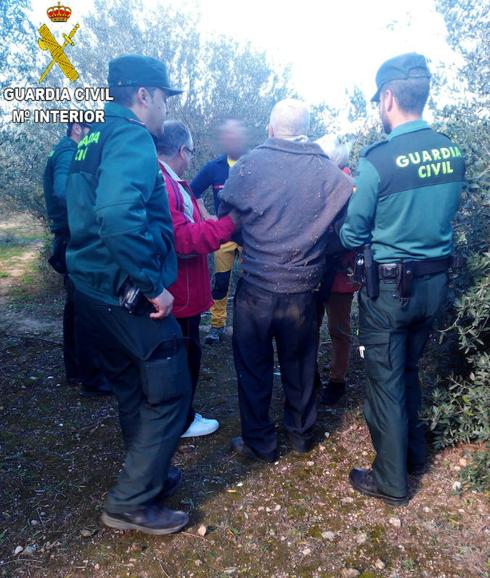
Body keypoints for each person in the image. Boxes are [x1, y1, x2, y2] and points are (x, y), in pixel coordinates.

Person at [65, 55, 192, 534]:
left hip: (90, 288)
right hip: (123, 289)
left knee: (131, 386)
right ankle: (130, 502)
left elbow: (68, 205)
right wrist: (151, 284)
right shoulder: (131, 135)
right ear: (144, 95)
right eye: (163, 97)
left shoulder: (90, 137)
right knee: (170, 387)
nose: (164, 107)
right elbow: (118, 214)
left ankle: (149, 474)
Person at [340, 53, 465, 505]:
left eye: (378, 100)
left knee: (385, 380)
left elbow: (354, 231)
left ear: (388, 97)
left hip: (391, 290)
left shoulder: (379, 159)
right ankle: (413, 452)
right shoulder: (451, 149)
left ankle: (391, 480)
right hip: (434, 286)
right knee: (409, 368)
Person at [219, 99, 353, 461]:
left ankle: (259, 441)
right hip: (304, 289)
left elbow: (227, 219)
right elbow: (345, 232)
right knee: (300, 363)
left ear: (270, 128)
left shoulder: (248, 165)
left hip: (257, 286)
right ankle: (301, 434)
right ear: (305, 130)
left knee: (253, 366)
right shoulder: (330, 174)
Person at [156, 120, 237, 438]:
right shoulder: (164, 183)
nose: (191, 157)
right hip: (181, 291)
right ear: (181, 150)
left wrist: (209, 220)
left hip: (184, 289)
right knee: (183, 356)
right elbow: (184, 239)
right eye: (189, 151)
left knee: (186, 352)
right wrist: (229, 225)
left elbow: (188, 220)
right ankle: (183, 419)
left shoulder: (173, 181)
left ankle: (180, 414)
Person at [43, 122, 112, 398]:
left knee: (75, 306)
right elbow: (63, 190)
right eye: (90, 129)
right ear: (76, 127)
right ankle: (92, 379)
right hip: (72, 237)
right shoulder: (68, 152)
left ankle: (76, 370)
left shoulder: (63, 150)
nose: (94, 135)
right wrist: (90, 211)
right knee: (84, 306)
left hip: (67, 236)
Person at [191, 119, 248, 344]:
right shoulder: (214, 167)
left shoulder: (254, 162)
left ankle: (246, 327)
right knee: (221, 282)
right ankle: (217, 326)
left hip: (251, 238)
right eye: (227, 136)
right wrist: (206, 216)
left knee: (250, 284)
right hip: (223, 236)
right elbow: (192, 191)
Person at [315, 135, 360, 405]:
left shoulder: (350, 186)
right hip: (317, 268)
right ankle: (312, 376)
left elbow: (352, 233)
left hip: (340, 270)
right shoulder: (322, 182)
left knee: (338, 328)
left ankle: (337, 380)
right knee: (311, 325)